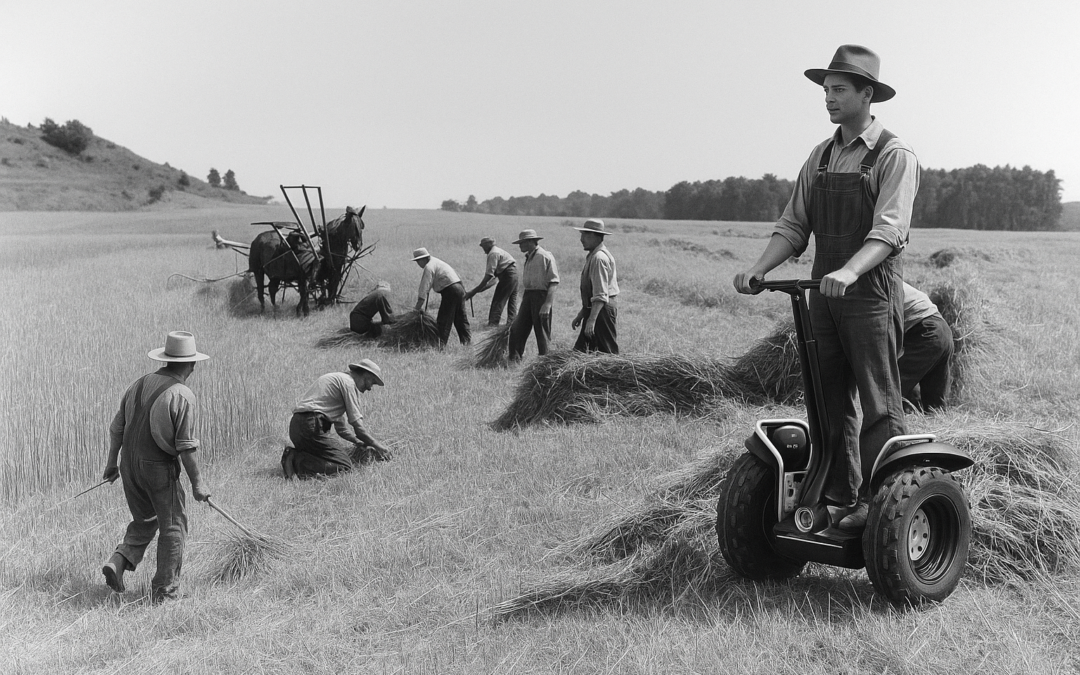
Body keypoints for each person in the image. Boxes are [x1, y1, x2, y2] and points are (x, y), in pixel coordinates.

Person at [733, 45, 919, 531]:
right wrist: (760, 269)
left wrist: (850, 271)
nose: (829, 98)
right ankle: (839, 498)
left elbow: (889, 231)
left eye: (839, 90)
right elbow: (795, 225)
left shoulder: (894, 156)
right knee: (826, 399)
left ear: (867, 93)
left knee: (879, 404)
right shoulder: (820, 156)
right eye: (825, 91)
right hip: (825, 295)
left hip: (870, 295)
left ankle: (885, 509)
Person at [100, 331, 212, 602]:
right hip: (156, 466)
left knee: (146, 518)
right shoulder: (183, 395)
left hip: (128, 464)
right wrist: (198, 483)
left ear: (166, 359)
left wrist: (112, 463)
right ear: (191, 364)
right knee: (174, 524)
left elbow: (117, 428)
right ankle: (166, 591)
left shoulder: (138, 384)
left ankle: (119, 559)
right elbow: (186, 447)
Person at [280, 360, 392, 478]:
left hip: (297, 426)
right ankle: (296, 461)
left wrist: (359, 442)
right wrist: (380, 447)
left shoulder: (337, 381)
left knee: (325, 457)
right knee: (344, 466)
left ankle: (294, 456)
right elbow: (358, 427)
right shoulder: (349, 384)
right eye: (372, 382)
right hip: (311, 426)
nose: (370, 388)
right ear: (366, 375)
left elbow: (341, 429)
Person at [900, 282, 953, 412]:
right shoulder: (893, 278)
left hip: (925, 331)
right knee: (934, 407)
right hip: (942, 330)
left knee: (888, 389)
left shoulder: (875, 282)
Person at [508, 229, 559, 361]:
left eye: (522, 243)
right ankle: (514, 359)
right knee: (517, 328)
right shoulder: (529, 256)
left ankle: (545, 361)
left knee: (541, 331)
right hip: (528, 295)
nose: (520, 246)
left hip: (541, 296)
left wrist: (547, 304)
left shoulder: (544, 256)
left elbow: (553, 282)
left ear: (531, 241)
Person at [572, 219, 620, 354]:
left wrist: (591, 320)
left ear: (596, 236)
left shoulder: (599, 258)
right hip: (595, 309)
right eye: (582, 234)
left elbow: (600, 294)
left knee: (607, 353)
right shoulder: (593, 256)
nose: (581, 239)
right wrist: (582, 314)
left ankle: (615, 375)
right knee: (582, 353)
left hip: (602, 310)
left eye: (586, 235)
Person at [412, 247, 471, 347]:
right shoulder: (437, 262)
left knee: (444, 319)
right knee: (460, 318)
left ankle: (440, 345)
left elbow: (424, 286)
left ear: (423, 259)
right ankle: (467, 343)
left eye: (418, 261)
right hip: (459, 288)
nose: (418, 264)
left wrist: (417, 306)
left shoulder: (429, 267)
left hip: (450, 290)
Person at [463, 237, 519, 326]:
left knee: (498, 300)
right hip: (513, 274)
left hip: (508, 275)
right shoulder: (497, 251)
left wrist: (473, 291)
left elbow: (489, 275)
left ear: (489, 244)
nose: (483, 249)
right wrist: (480, 289)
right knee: (512, 300)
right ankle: (512, 323)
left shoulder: (493, 253)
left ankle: (493, 324)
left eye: (483, 246)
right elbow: (494, 279)